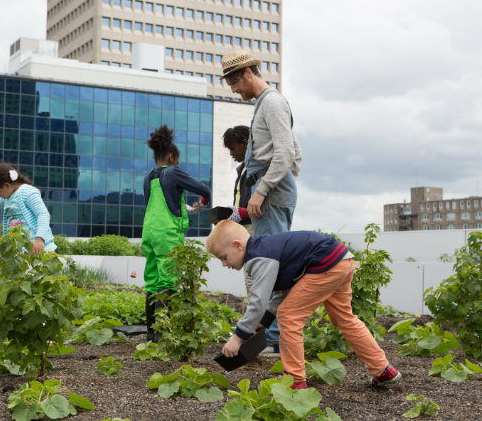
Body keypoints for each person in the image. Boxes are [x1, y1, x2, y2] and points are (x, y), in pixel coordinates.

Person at [206, 220, 402, 390]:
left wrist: (238, 338)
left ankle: (295, 380)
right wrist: (263, 321)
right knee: (344, 318)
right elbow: (283, 293)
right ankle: (383, 370)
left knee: (289, 316)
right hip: (341, 259)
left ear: (238, 245)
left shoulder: (259, 257)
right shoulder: (266, 249)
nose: (224, 264)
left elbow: (258, 301)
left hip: (326, 264)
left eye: (224, 257)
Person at [221, 49, 303, 352]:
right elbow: (296, 153)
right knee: (269, 265)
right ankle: (267, 337)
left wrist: (264, 189)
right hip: (273, 194)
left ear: (247, 73)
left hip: (271, 196)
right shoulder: (266, 104)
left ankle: (272, 340)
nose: (232, 89)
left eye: (233, 81)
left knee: (271, 267)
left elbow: (286, 154)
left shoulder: (272, 103)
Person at [142, 125, 211, 342]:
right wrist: (202, 205)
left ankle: (152, 333)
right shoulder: (174, 172)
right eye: (177, 160)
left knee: (152, 282)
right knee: (168, 281)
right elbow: (205, 191)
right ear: (171, 156)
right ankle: (164, 335)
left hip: (149, 232)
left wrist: (186, 209)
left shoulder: (148, 177)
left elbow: (162, 205)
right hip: (167, 234)